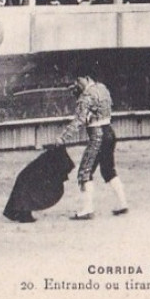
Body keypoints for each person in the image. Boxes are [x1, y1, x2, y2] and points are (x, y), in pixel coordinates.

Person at [59, 74, 128, 219]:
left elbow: (79, 120)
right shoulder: (103, 88)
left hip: (98, 136)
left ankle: (87, 209)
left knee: (85, 171)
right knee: (108, 170)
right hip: (109, 133)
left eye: (78, 80)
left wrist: (63, 138)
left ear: (87, 77)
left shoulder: (86, 96)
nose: (77, 83)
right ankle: (123, 204)